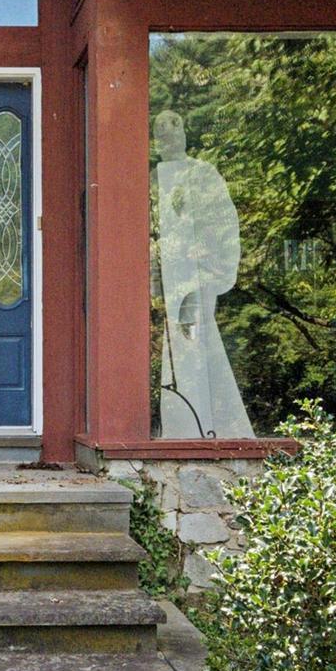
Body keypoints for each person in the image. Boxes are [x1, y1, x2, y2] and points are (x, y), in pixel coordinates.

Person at [151, 110, 254, 439]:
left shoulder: (203, 174)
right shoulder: (150, 179)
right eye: (161, 132)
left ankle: (204, 427)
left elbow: (223, 225)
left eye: (174, 129)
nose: (168, 137)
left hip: (195, 278)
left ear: (185, 132)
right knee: (171, 350)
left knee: (194, 347)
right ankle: (177, 426)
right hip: (161, 280)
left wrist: (209, 271)